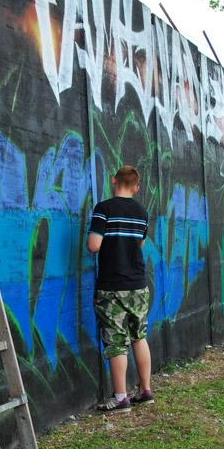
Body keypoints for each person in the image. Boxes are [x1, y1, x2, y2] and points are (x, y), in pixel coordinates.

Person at [87, 165, 154, 413]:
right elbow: (141, 242)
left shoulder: (104, 209)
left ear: (114, 181)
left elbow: (94, 245)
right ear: (136, 186)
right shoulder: (142, 212)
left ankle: (121, 397)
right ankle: (145, 390)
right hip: (138, 284)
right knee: (139, 336)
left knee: (116, 342)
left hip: (112, 285)